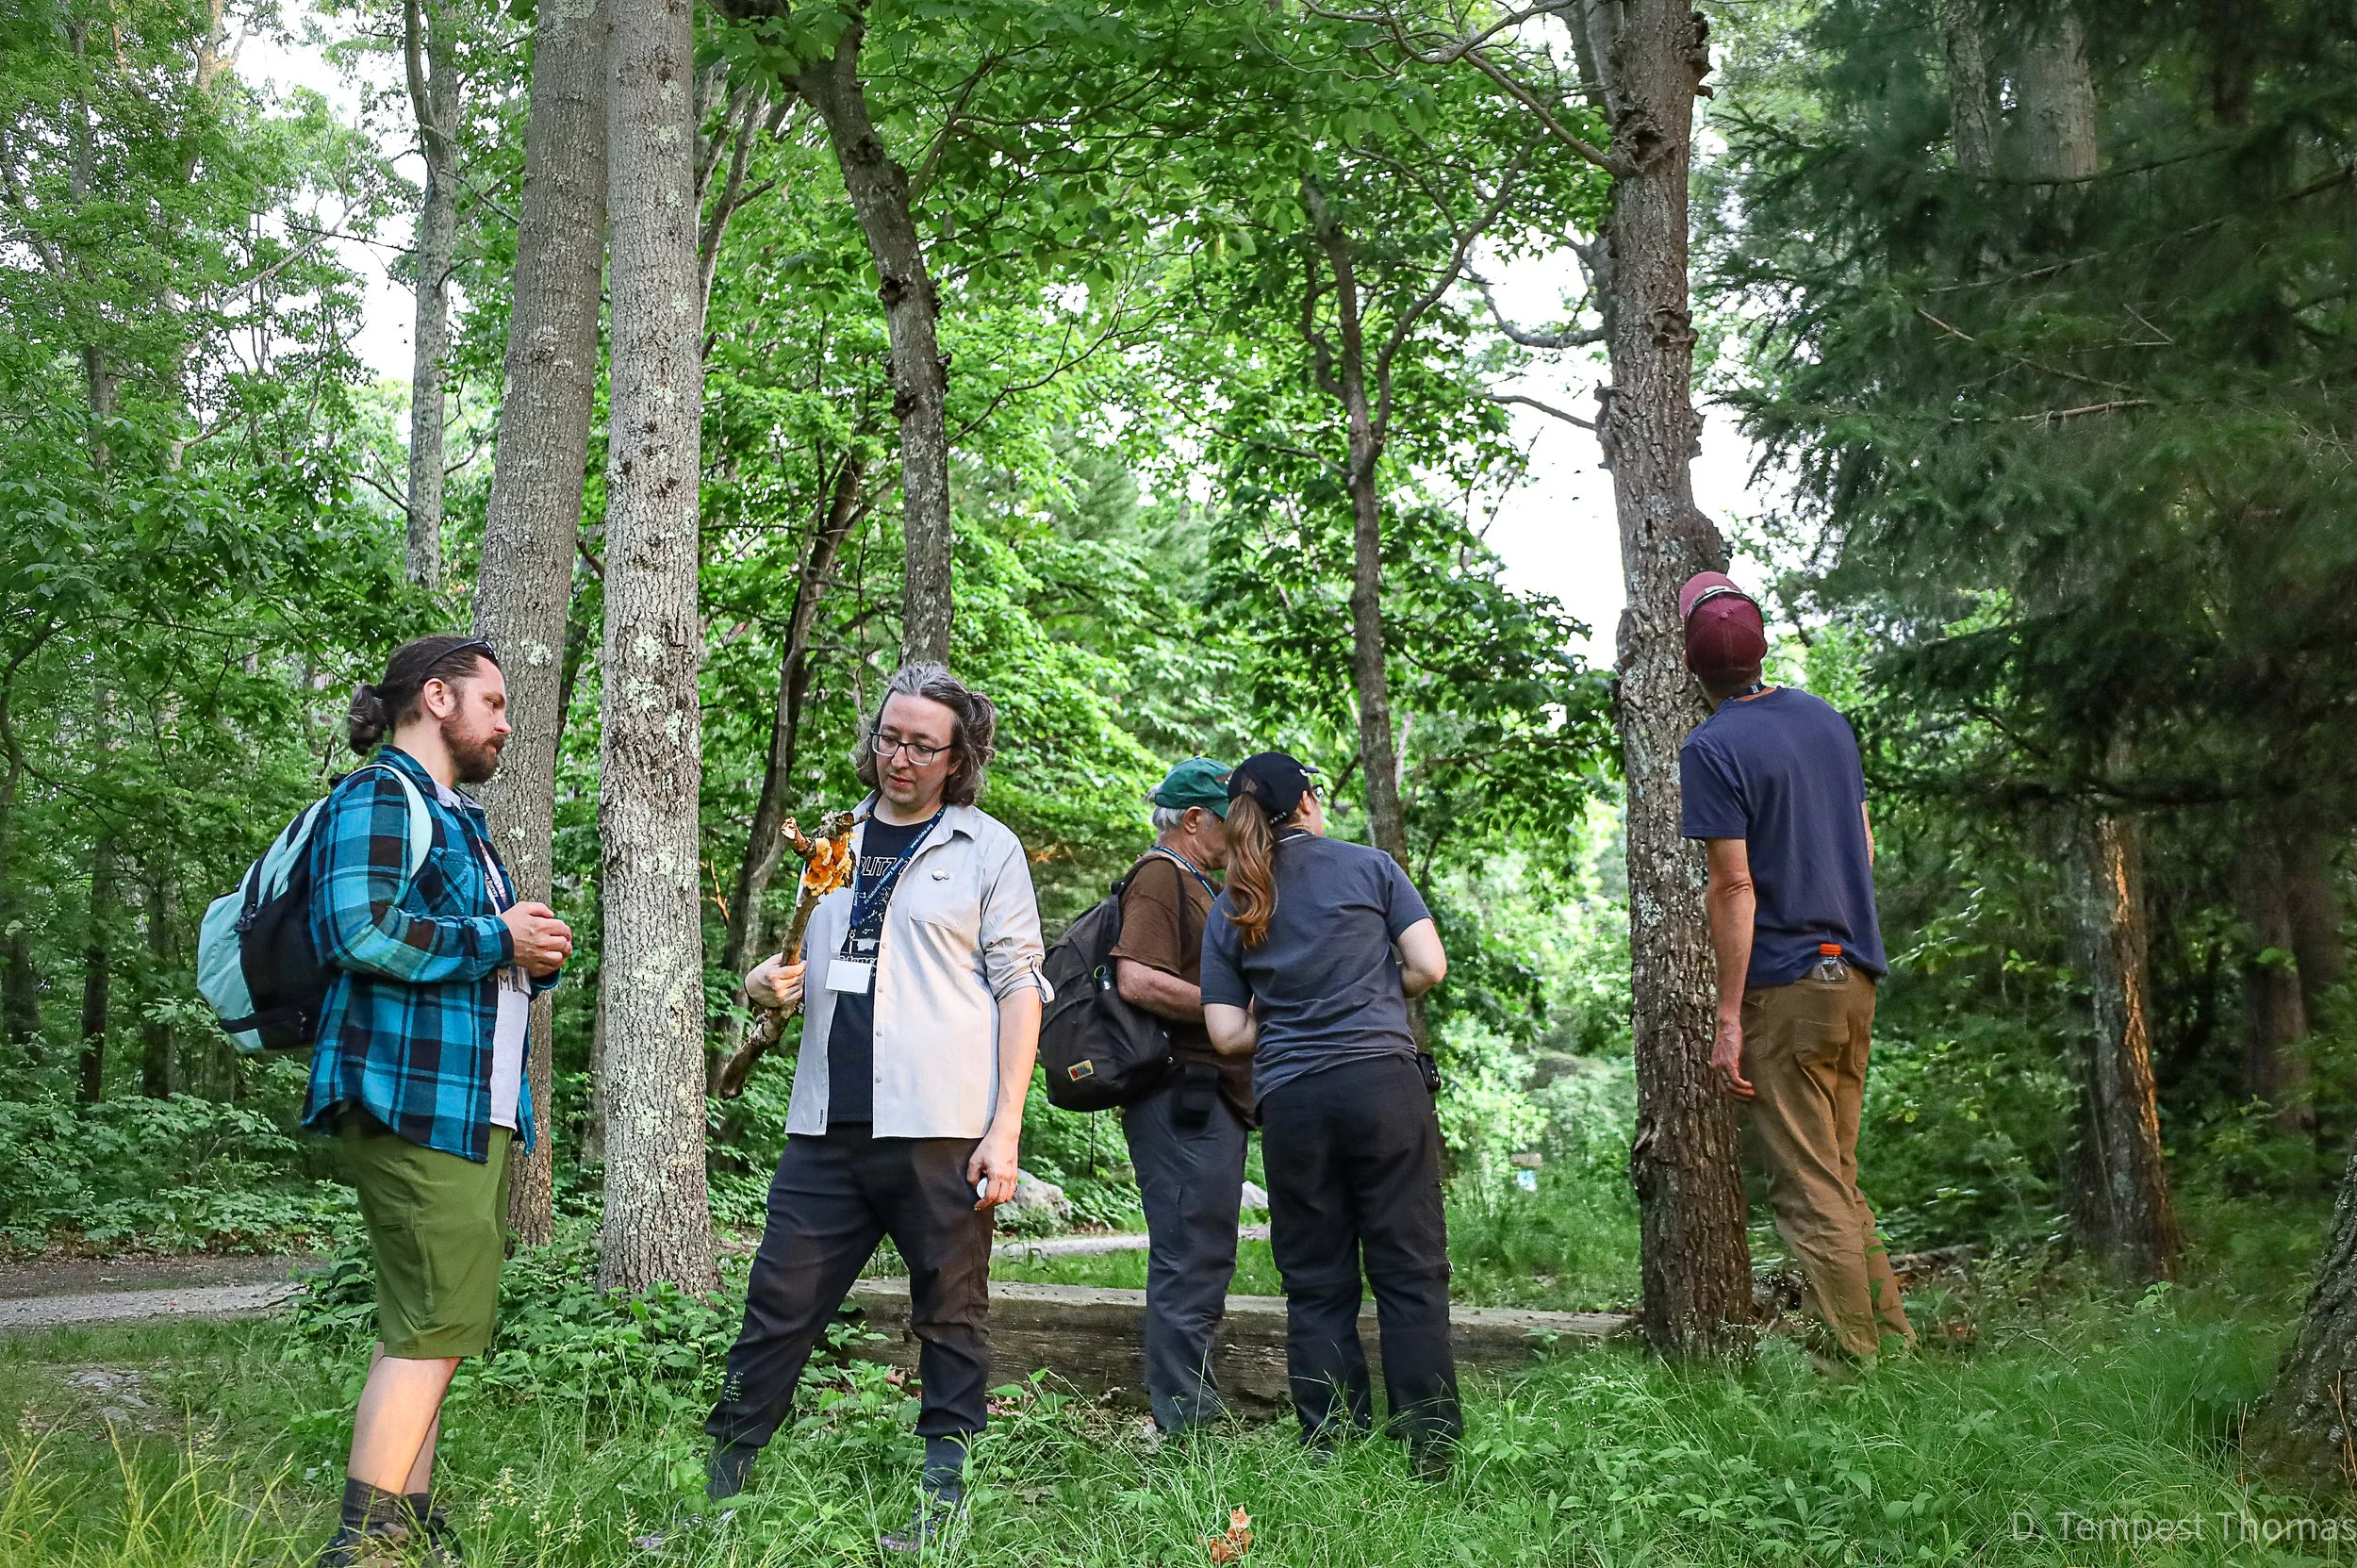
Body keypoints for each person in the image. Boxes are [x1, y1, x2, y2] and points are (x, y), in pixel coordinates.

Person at [706, 663, 1049, 1551]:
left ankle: (942, 1507)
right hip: (826, 1124)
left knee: (951, 1311)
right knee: (775, 1303)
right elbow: (801, 960)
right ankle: (716, 1499)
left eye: (922, 745)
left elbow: (1021, 989)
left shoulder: (986, 849)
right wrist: (762, 983)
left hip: (941, 1129)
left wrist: (1004, 1126)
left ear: (957, 755)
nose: (899, 757)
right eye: (890, 737)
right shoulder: (836, 835)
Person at [305, 635, 574, 1567]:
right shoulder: (381, 796)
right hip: (409, 1094)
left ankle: (408, 1521)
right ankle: (366, 1541)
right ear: (435, 697)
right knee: (436, 1324)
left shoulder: (457, 817)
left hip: (469, 1101)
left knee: (424, 1323)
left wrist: (526, 953)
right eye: (493, 702)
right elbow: (355, 929)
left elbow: (475, 948)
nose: (505, 720)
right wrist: (496, 937)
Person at [1676, 571, 1915, 1363]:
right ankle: (1895, 1350)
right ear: (1765, 645)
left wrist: (1730, 1016)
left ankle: (1858, 1370)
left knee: (1810, 1192)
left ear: (1690, 665)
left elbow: (1735, 884)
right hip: (1854, 976)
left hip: (1787, 984)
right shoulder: (1827, 722)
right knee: (1837, 1177)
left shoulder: (1712, 748)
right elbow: (1865, 846)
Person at [1199, 752, 1458, 1477]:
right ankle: (1430, 1450)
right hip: (1383, 1086)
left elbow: (1224, 1034)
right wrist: (1373, 988)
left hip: (1294, 1101)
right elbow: (1429, 967)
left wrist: (1283, 1017)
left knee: (1315, 1279)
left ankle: (1332, 1448)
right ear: (1309, 802)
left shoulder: (1232, 901)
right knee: (1409, 1270)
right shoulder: (1370, 866)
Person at [1110, 756, 1252, 1434]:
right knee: (1188, 1252)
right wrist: (1232, 1010)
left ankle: (1190, 1407)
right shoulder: (1161, 876)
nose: (1241, 831)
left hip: (1208, 1095)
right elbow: (1137, 979)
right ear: (1195, 820)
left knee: (1205, 1249)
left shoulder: (1200, 882)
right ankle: (1183, 1424)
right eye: (1231, 818)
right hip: (1178, 1094)